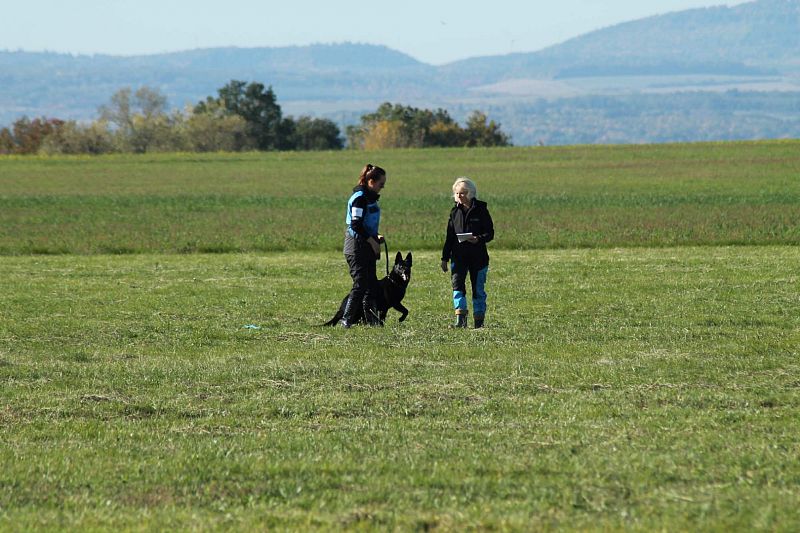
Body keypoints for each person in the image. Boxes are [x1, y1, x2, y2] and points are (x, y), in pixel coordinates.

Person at [440, 177, 494, 328]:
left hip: (478, 257)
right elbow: (450, 237)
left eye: (462, 193)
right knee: (457, 286)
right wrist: (444, 258)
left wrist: (478, 239)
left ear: (470, 193)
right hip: (458, 257)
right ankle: (460, 321)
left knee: (478, 289)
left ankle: (479, 322)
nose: (459, 196)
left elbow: (490, 233)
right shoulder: (454, 212)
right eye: (456, 193)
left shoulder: (481, 210)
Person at [340, 163, 386, 328]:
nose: (382, 188)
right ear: (371, 182)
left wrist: (376, 235)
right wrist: (372, 241)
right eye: (381, 184)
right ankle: (346, 319)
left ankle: (371, 319)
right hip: (356, 247)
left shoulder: (369, 198)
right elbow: (356, 225)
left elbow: (367, 223)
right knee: (360, 284)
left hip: (366, 244)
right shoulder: (359, 199)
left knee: (371, 284)